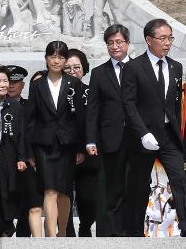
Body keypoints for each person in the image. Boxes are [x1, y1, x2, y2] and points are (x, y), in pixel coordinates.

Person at [121, 18, 186, 237]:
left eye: (170, 38)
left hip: (168, 136)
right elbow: (128, 104)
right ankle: (132, 231)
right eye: (163, 38)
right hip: (143, 137)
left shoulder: (175, 67)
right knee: (139, 186)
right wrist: (142, 133)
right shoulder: (133, 67)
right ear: (149, 40)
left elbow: (175, 104)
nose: (168, 43)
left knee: (179, 179)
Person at [25, 41, 85, 237]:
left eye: (60, 57)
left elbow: (80, 118)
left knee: (65, 192)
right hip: (43, 144)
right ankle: (51, 237)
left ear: (65, 60)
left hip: (67, 144)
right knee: (49, 189)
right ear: (46, 58)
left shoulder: (74, 83)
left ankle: (63, 232)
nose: (56, 61)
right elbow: (30, 119)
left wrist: (81, 148)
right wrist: (29, 151)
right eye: (53, 56)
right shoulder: (37, 86)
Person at [0, 65, 42, 237]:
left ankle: (6, 231)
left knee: (6, 198)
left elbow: (22, 134)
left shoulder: (15, 108)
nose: (4, 85)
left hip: (8, 159)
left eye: (5, 81)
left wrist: (22, 157)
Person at [85, 24, 132, 236]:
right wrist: (91, 140)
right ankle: (112, 231)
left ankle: (134, 229)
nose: (115, 46)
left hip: (138, 138)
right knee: (112, 186)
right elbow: (92, 110)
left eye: (119, 42)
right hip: (110, 138)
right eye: (111, 43)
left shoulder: (140, 68)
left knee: (135, 185)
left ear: (127, 44)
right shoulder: (99, 73)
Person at [63, 48, 99, 236]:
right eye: (67, 67)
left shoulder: (92, 92)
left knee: (89, 198)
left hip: (88, 155)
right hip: (63, 154)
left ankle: (85, 227)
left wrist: (83, 149)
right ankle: (68, 233)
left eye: (76, 67)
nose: (72, 70)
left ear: (84, 69)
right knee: (64, 197)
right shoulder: (57, 92)